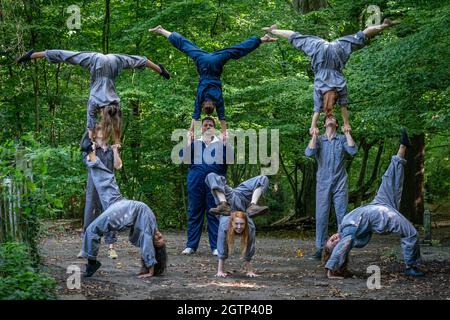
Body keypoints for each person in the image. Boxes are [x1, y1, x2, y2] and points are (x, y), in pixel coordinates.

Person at [262, 19, 397, 135]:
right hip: (320, 48)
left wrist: (346, 124)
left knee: (360, 36)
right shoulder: (320, 91)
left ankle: (273, 30)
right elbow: (317, 111)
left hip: (337, 49)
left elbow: (343, 108)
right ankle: (383, 25)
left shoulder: (340, 89)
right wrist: (313, 125)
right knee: (297, 38)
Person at [322, 129, 425, 279]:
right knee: (411, 233)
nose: (335, 238)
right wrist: (331, 269)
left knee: (389, 180)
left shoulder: (343, 225)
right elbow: (342, 247)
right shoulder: (347, 235)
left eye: (331, 239)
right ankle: (411, 266)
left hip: (379, 203)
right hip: (382, 216)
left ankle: (402, 147)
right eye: (334, 242)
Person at [16, 49, 170, 145]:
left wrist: (160, 71)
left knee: (67, 55)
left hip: (111, 59)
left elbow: (141, 61)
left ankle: (160, 70)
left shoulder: (116, 105)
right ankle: (161, 70)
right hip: (102, 62)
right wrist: (91, 140)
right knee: (67, 56)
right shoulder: (96, 102)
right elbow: (91, 126)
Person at [149, 25, 276, 139]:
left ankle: (262, 39)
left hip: (216, 62)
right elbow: (195, 117)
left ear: (213, 107)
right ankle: (161, 30)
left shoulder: (218, 100)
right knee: (186, 46)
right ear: (204, 107)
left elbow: (222, 118)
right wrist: (190, 131)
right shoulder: (200, 98)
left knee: (235, 51)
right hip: (203, 61)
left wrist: (224, 132)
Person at [80, 143, 167, 278]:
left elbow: (146, 240)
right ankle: (90, 152)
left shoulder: (149, 230)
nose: (159, 234)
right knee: (107, 181)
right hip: (123, 205)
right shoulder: (151, 222)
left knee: (93, 228)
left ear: (155, 246)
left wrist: (151, 270)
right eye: (162, 236)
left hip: (123, 207)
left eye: (159, 239)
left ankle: (92, 262)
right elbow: (147, 239)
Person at [178, 117, 234, 256]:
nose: (208, 127)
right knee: (194, 213)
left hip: (214, 185)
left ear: (214, 128)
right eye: (205, 125)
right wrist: (188, 142)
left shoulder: (221, 144)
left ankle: (215, 246)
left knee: (214, 214)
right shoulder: (196, 143)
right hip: (195, 183)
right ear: (201, 128)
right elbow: (183, 158)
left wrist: (226, 144)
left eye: (210, 125)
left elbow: (230, 160)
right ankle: (191, 245)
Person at [305, 115, 357, 259]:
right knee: (321, 215)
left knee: (343, 215)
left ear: (336, 123)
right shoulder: (319, 140)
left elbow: (353, 151)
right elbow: (309, 152)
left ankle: (342, 247)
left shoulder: (341, 139)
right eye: (328, 118)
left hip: (340, 182)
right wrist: (314, 135)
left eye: (333, 118)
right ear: (323, 124)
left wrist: (347, 133)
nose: (330, 118)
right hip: (322, 182)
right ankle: (320, 248)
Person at [205, 173, 269, 278]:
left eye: (241, 225)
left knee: (263, 178)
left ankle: (253, 205)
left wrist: (249, 271)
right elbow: (221, 242)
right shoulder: (226, 223)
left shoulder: (248, 224)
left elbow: (249, 242)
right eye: (237, 225)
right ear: (232, 224)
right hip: (228, 206)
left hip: (240, 198)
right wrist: (220, 270)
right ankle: (223, 204)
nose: (239, 227)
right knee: (211, 175)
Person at [77, 125, 122, 260]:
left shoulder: (110, 149)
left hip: (108, 187)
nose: (102, 132)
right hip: (93, 186)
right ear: (94, 134)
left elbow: (118, 166)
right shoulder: (89, 148)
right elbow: (91, 162)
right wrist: (93, 148)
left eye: (104, 130)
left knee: (110, 215)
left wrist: (115, 151)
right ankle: (85, 249)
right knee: (89, 215)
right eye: (99, 130)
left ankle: (111, 248)